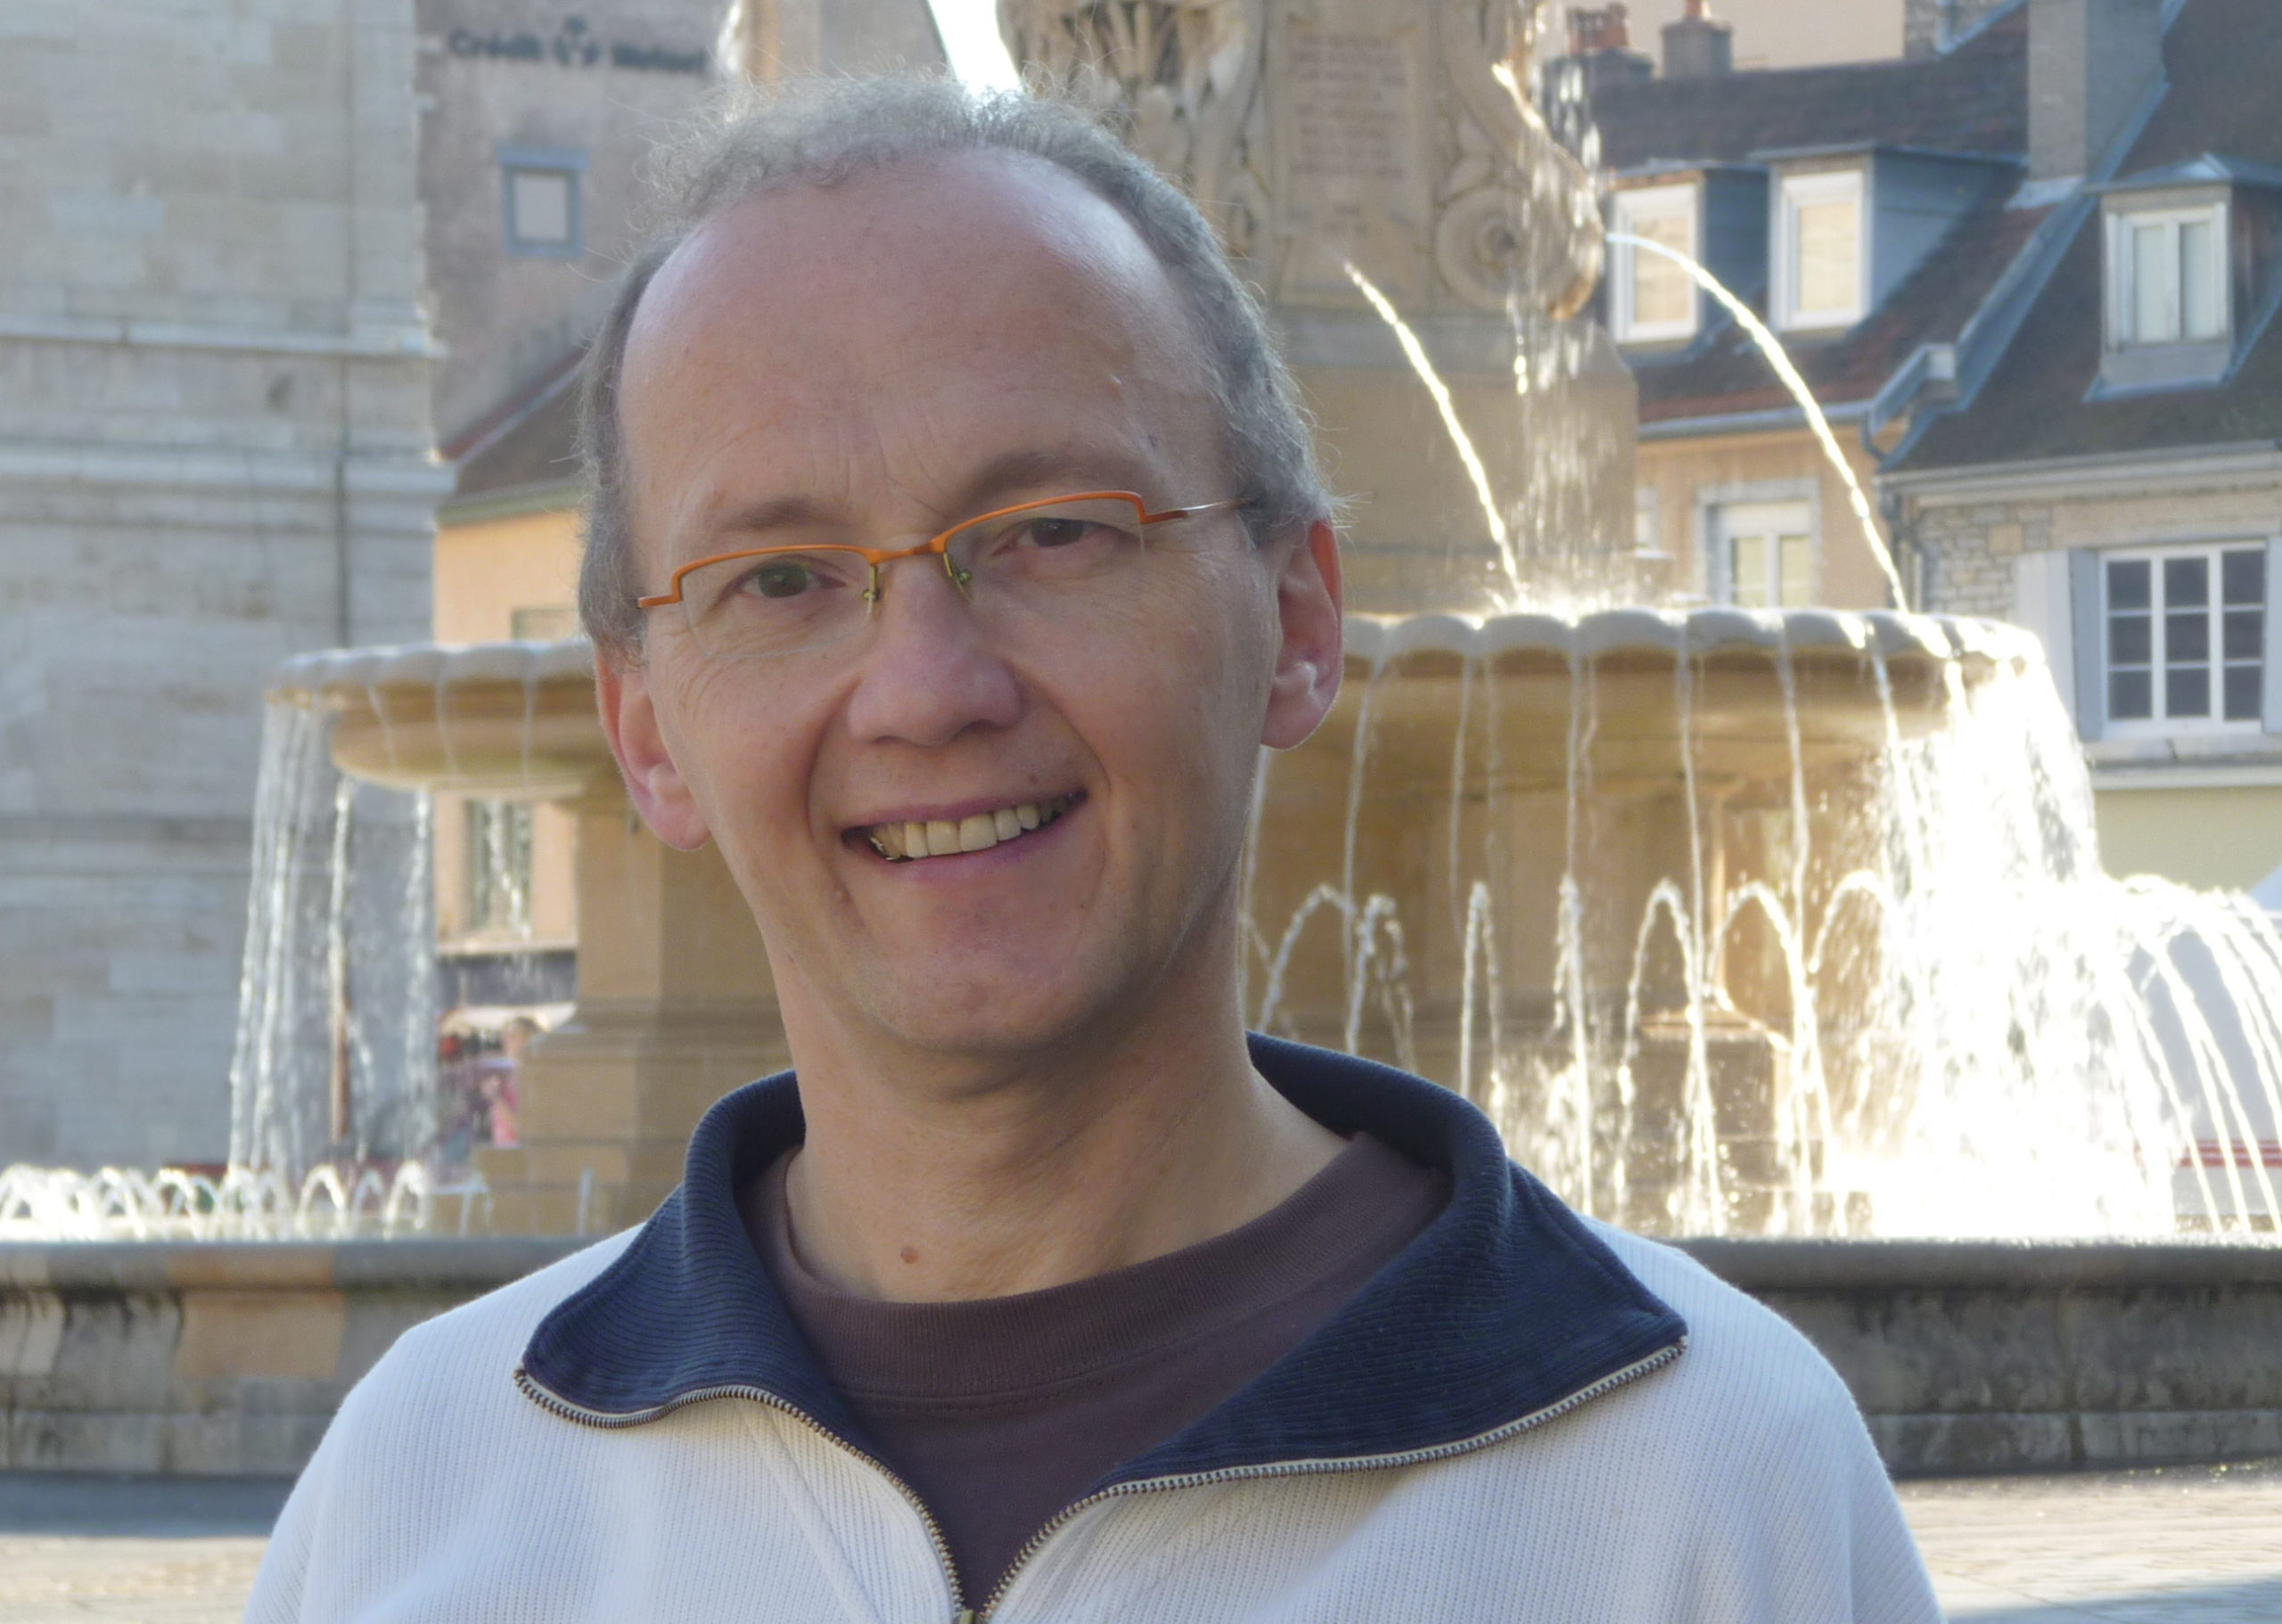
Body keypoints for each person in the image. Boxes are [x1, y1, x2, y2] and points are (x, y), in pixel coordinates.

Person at [248, 78, 1940, 1623]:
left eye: (1054, 532)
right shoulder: (423, 1494)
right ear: (643, 728)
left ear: (1297, 622)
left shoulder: (1708, 1484)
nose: (926, 689)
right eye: (779, 579)